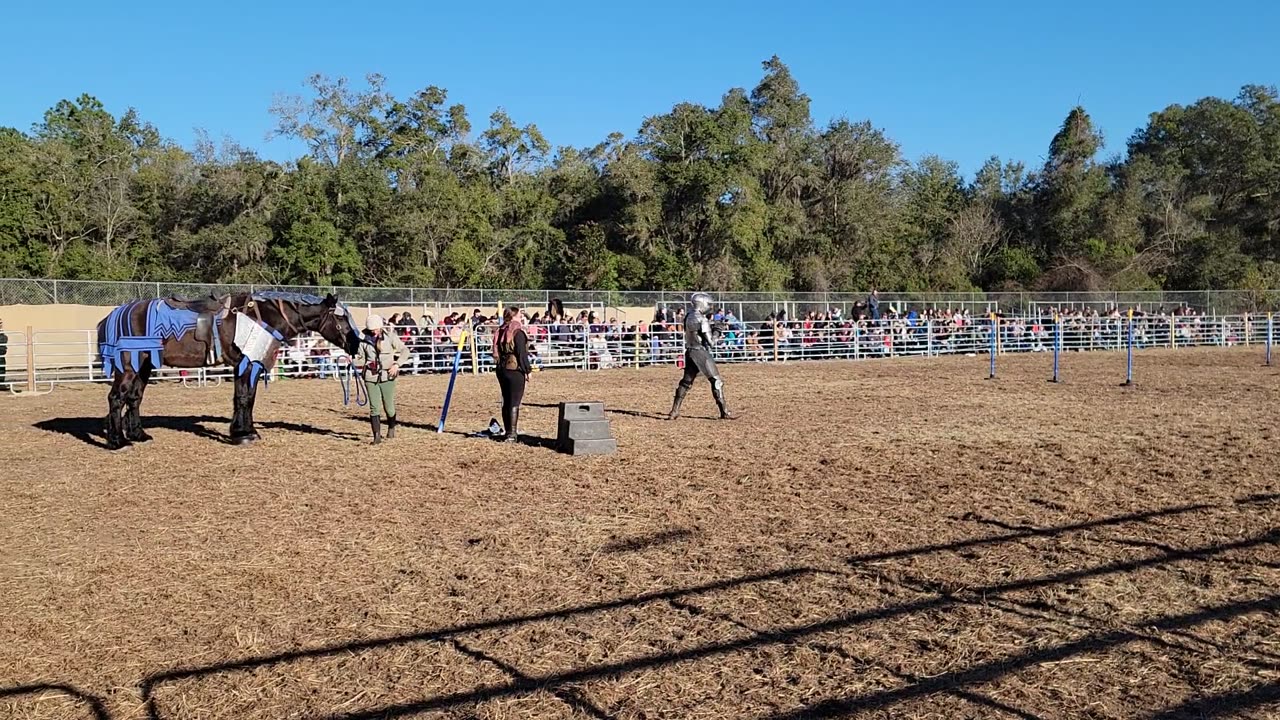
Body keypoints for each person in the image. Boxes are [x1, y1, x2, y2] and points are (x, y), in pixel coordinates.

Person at [667, 292, 735, 421]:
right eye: (708, 304)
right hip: (700, 352)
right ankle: (724, 411)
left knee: (686, 382)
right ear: (702, 303)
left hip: (690, 351)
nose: (709, 307)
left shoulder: (688, 316)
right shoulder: (702, 319)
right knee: (716, 381)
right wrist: (717, 330)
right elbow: (711, 342)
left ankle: (674, 411)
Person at [354, 314, 406, 444]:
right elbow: (360, 357)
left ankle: (391, 427)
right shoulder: (363, 341)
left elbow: (405, 351)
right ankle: (376, 436)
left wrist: (396, 364)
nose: (374, 331)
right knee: (374, 407)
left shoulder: (390, 337)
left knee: (389, 406)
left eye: (376, 329)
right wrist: (354, 360)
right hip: (371, 377)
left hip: (388, 375)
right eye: (372, 329)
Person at [491, 305, 532, 442]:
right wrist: (527, 370)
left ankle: (508, 431)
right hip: (514, 369)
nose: (521, 317)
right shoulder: (517, 332)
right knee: (514, 402)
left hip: (501, 369)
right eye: (519, 315)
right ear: (513, 316)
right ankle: (512, 434)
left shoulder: (501, 330)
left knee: (506, 401)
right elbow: (521, 354)